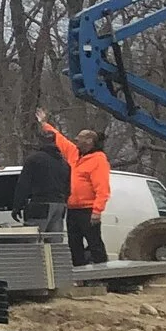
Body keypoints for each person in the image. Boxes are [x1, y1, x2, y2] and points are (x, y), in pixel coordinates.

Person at [38, 108, 112, 266]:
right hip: (72, 208)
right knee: (74, 244)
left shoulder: (98, 160)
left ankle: (103, 275)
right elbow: (60, 140)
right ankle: (80, 275)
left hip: (88, 210)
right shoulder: (75, 154)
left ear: (89, 142)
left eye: (78, 140)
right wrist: (44, 124)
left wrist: (97, 211)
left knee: (94, 244)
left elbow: (102, 189)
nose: (75, 142)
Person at [15, 121, 72, 234]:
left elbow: (23, 184)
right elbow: (69, 187)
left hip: (40, 205)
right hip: (59, 205)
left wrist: (17, 205)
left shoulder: (34, 160)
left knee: (34, 239)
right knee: (54, 241)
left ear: (40, 142)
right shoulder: (65, 164)